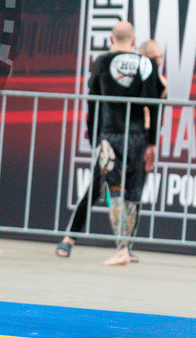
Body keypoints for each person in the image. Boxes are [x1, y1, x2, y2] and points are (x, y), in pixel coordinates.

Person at [56, 38, 166, 259]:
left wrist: (151, 138)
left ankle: (124, 246)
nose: (159, 62)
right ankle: (71, 238)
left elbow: (156, 112)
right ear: (141, 55)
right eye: (155, 58)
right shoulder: (135, 73)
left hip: (138, 140)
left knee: (134, 193)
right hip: (117, 138)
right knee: (98, 187)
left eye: (161, 58)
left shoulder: (156, 80)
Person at [80, 21, 161, 266]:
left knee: (115, 191)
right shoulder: (145, 63)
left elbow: (92, 101)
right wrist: (152, 141)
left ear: (112, 39)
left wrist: (94, 136)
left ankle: (122, 248)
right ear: (134, 39)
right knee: (133, 192)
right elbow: (153, 105)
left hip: (110, 134)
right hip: (137, 135)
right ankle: (125, 247)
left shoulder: (102, 62)